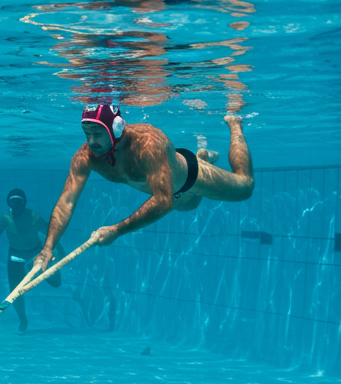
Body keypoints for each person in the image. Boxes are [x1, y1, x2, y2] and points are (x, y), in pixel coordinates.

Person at [34, 101, 254, 271]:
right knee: (191, 205)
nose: (92, 142)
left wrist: (116, 230)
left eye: (98, 134)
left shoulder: (147, 143)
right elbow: (66, 202)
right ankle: (204, 156)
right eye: (87, 134)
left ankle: (235, 126)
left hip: (189, 176)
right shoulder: (86, 156)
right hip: (175, 193)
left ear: (117, 129)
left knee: (245, 187)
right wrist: (48, 246)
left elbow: (163, 201)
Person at [0, 189, 60, 332]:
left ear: (24, 202)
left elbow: (49, 231)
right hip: (16, 257)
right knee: (15, 292)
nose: (17, 205)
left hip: (36, 255)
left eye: (19, 201)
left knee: (56, 283)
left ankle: (42, 273)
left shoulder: (32, 216)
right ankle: (23, 319)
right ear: (9, 202)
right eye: (14, 201)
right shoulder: (6, 219)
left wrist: (58, 249)